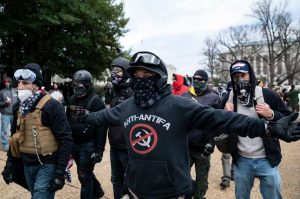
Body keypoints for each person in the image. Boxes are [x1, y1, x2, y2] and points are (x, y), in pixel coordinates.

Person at [85, 51, 300, 199]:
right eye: (136, 75)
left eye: (147, 74)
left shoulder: (179, 106)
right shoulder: (127, 107)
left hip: (173, 191)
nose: (141, 79)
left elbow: (224, 118)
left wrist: (267, 128)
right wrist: (84, 116)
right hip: (135, 190)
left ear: (159, 78)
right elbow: (102, 117)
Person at [222, 60, 292, 199]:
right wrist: (223, 114)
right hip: (241, 160)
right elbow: (215, 123)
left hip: (267, 159)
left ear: (251, 75)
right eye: (236, 76)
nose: (240, 79)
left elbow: (288, 118)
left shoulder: (267, 94)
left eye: (243, 75)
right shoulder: (228, 99)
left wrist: (271, 114)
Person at [1, 63, 73, 198]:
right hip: (27, 164)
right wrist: (9, 166)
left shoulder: (52, 106)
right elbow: (14, 139)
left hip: (47, 165)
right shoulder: (19, 108)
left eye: (25, 83)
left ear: (36, 85)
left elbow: (66, 139)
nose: (20, 86)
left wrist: (59, 173)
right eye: (19, 82)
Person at [67, 70, 106, 199]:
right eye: (76, 83)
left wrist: (99, 150)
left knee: (84, 175)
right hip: (74, 143)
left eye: (81, 84)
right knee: (85, 173)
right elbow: (67, 121)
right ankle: (97, 191)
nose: (78, 86)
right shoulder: (72, 99)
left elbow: (102, 127)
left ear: (88, 84)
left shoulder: (97, 102)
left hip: (89, 145)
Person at [182, 69, 221, 199]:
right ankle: (187, 194)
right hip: (185, 146)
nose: (197, 81)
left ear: (206, 81)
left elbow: (217, 123)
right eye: (195, 79)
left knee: (202, 180)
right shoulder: (185, 96)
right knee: (181, 176)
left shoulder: (214, 98)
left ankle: (199, 196)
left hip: (203, 147)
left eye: (200, 79)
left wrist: (211, 142)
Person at [108, 57, 134, 199]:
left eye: (118, 70)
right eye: (113, 70)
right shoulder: (113, 91)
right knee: (115, 180)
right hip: (114, 144)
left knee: (130, 180)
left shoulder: (132, 91)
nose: (114, 73)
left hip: (128, 146)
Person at [0, 77, 18, 151]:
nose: (7, 83)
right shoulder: (1, 92)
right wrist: (5, 103)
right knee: (4, 131)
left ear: (10, 82)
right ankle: (5, 146)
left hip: (14, 114)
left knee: (15, 130)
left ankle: (13, 145)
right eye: (5, 82)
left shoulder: (15, 91)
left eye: (8, 82)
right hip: (5, 114)